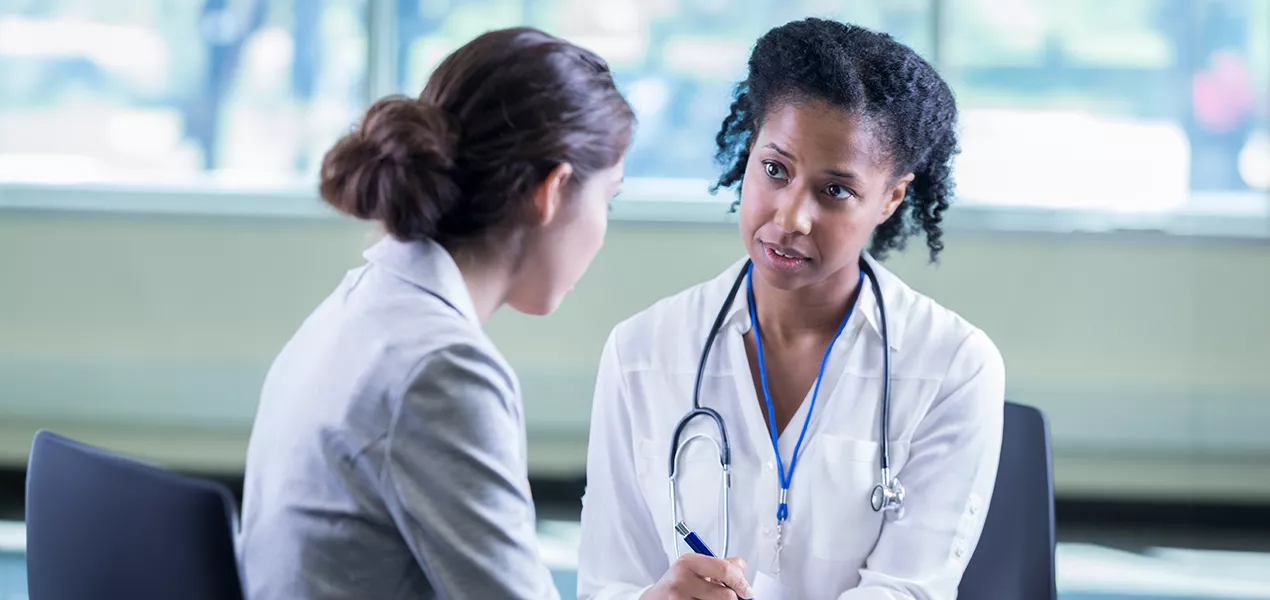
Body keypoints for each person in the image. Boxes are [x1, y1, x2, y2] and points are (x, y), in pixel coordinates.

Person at [578, 18, 1005, 600]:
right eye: (775, 169)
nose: (790, 218)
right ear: (750, 149)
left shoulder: (954, 365)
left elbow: (908, 590)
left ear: (891, 198)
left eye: (836, 191)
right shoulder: (641, 351)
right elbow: (608, 584)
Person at [238, 27, 634, 600]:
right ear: (552, 191)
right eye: (609, 198)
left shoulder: (364, 303)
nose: (603, 229)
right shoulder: (443, 370)